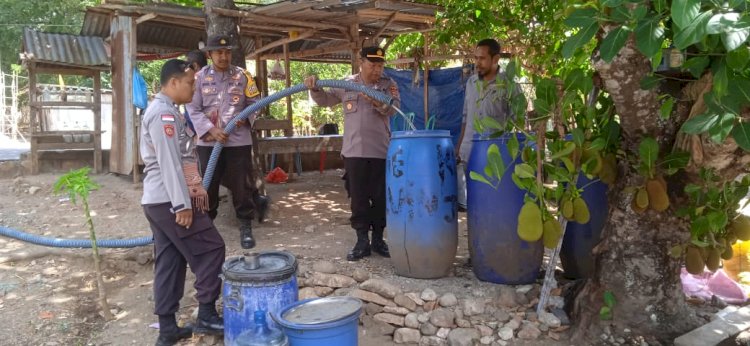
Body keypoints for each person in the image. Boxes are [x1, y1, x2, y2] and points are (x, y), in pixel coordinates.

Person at [140, 59, 225, 346]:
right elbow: (169, 163)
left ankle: (167, 330)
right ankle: (206, 313)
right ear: (174, 83)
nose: (194, 87)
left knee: (170, 261)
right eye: (190, 82)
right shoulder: (163, 114)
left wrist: (194, 189)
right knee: (212, 248)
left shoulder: (166, 111)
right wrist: (182, 205)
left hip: (157, 201)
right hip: (168, 200)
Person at [303, 46, 400, 261]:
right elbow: (325, 100)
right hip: (354, 152)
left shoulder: (388, 85)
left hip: (381, 151)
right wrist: (314, 88)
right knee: (358, 198)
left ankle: (378, 239)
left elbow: (394, 108)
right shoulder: (346, 84)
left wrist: (378, 102)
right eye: (372, 64)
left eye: (380, 65)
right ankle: (361, 240)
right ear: (361, 61)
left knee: (381, 199)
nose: (377, 70)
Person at [186, 35, 263, 249]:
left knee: (242, 184)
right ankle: (206, 228)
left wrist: (243, 118)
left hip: (238, 141)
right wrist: (210, 129)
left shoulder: (243, 76)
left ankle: (245, 226)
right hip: (208, 142)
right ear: (209, 55)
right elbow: (192, 108)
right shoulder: (199, 77)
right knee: (207, 186)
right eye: (219, 52)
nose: (224, 56)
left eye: (227, 52)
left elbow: (255, 103)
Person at [456, 39, 521, 210]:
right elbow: (465, 117)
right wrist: (459, 147)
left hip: (495, 153)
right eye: (476, 58)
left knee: (494, 201)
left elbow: (517, 120)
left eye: (482, 58)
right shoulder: (471, 83)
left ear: (496, 59)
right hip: (469, 151)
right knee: (474, 203)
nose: (477, 63)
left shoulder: (509, 84)